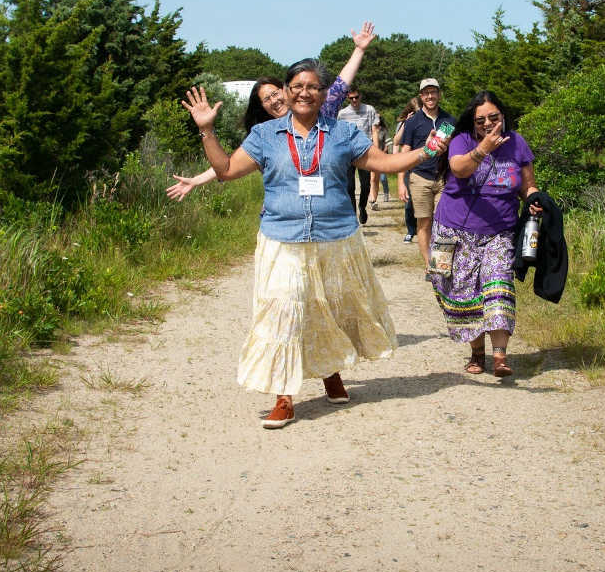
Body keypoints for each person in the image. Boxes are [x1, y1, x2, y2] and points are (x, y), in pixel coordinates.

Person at [182, 61, 450, 428]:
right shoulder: (264, 135)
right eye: (296, 85)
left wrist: (425, 153)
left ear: (324, 94)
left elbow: (385, 163)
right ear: (286, 91)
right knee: (285, 313)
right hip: (283, 239)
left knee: (329, 311)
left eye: (312, 86)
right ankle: (284, 395)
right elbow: (226, 171)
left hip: (335, 238)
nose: (303, 92)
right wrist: (207, 131)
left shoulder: (342, 133)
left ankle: (331, 374)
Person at [166, 22, 375, 201]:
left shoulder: (324, 110)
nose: (274, 100)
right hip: (283, 215)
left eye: (275, 93)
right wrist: (196, 180)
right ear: (263, 107)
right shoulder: (265, 134)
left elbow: (342, 82)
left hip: (325, 212)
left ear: (286, 90)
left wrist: (360, 50)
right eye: (267, 99)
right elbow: (230, 165)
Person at [425, 90, 542, 379]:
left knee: (498, 285)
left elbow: (527, 185)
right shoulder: (461, 140)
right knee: (454, 290)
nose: (488, 124)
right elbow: (458, 169)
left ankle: (500, 356)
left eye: (494, 117)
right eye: (481, 120)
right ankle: (476, 353)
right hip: (450, 229)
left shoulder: (517, 143)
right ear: (472, 122)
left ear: (503, 116)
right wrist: (483, 149)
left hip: (499, 231)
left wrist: (535, 199)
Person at [399, 78, 454, 261]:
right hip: (419, 177)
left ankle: (442, 261)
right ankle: (429, 264)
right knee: (424, 223)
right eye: (426, 93)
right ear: (421, 96)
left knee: (444, 222)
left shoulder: (449, 120)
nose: (430, 96)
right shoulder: (413, 121)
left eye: (434, 92)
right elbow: (404, 152)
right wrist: (401, 182)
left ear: (439, 94)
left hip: (443, 178)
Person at [337, 87, 381, 224]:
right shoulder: (342, 114)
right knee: (349, 186)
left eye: (356, 97)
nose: (354, 100)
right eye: (351, 98)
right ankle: (352, 213)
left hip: (365, 152)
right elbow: (338, 134)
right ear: (347, 98)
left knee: (366, 185)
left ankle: (362, 207)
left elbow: (374, 130)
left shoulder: (369, 110)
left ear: (360, 96)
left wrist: (377, 150)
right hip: (348, 153)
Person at [391, 98, 420, 242]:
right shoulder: (405, 123)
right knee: (409, 203)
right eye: (415, 112)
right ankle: (411, 230)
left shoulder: (443, 120)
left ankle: (428, 230)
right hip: (410, 165)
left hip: (428, 166)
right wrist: (406, 123)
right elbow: (396, 141)